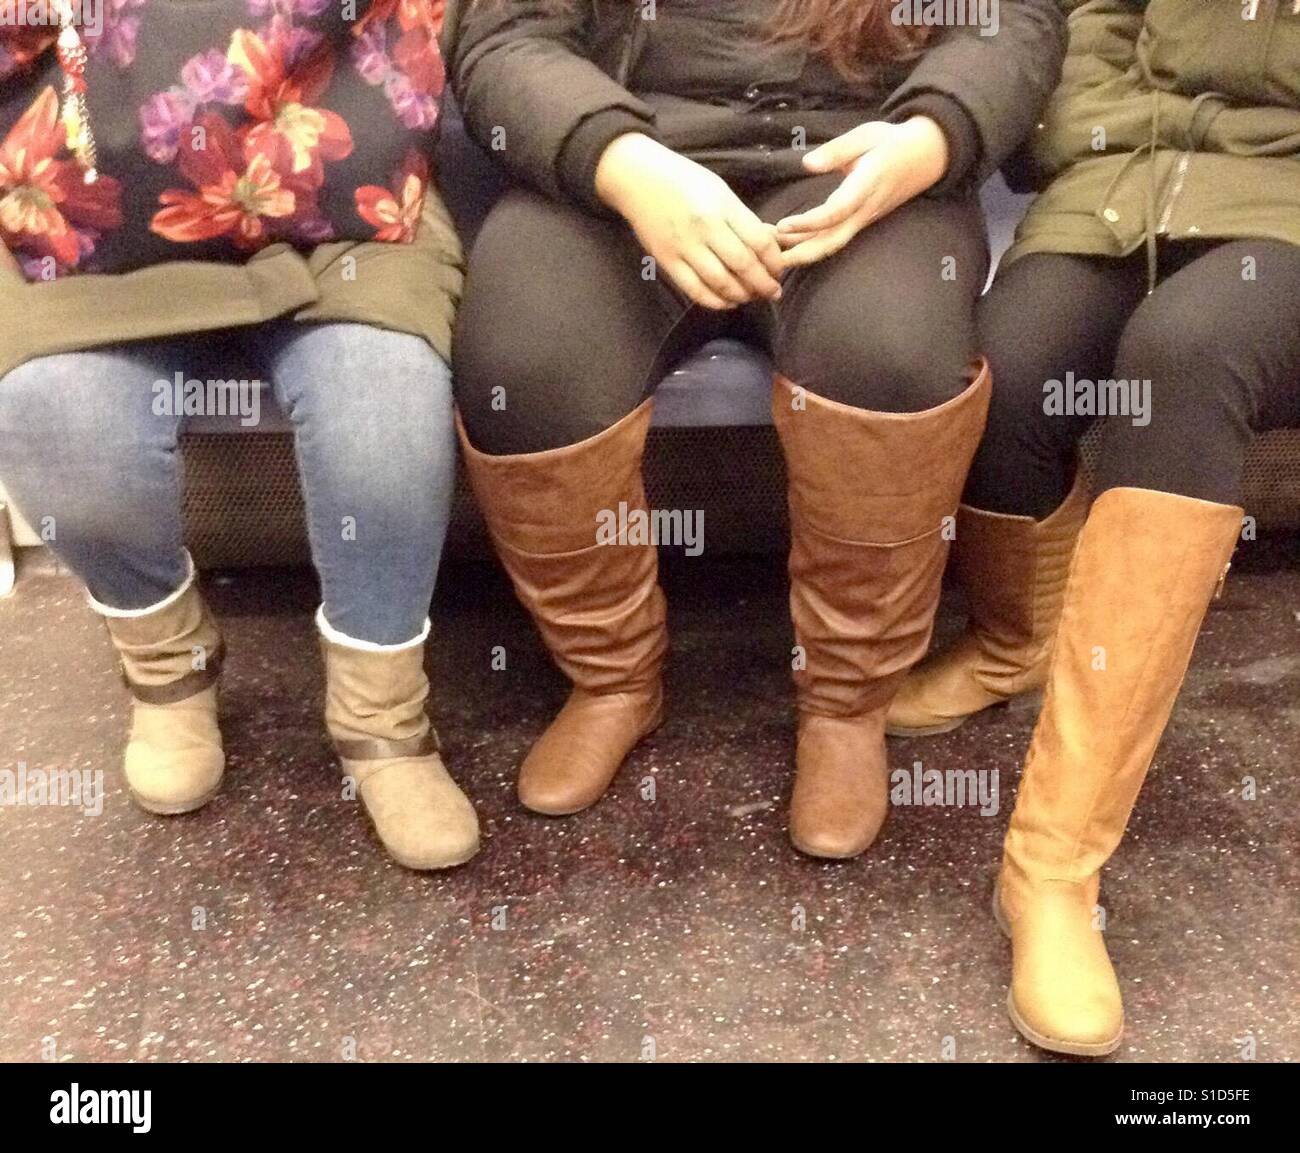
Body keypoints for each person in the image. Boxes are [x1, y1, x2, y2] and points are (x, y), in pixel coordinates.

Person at [445, 0, 1066, 856]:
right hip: (628, 160)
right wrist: (624, 164)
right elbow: (504, 38)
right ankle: (611, 678)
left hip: (861, 154)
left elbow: (1013, 17)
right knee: (524, 363)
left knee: (889, 358)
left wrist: (933, 135)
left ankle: (847, 701)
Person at [888, 0, 1300, 1055]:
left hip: (1285, 209)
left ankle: (1051, 868)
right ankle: (1015, 638)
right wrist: (1105, 128)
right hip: (1119, 183)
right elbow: (1094, 18)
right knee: (1003, 373)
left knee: (1183, 358)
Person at [0, 4, 479, 869]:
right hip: (91, 212)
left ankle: (382, 718)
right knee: (57, 425)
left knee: (384, 429)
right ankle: (168, 667)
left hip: (342, 194)